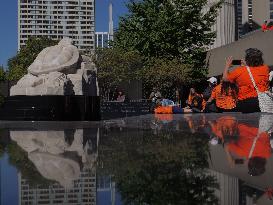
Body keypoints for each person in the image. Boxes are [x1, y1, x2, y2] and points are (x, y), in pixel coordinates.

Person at [223, 48, 270, 113]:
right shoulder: (265, 68)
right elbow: (254, 72)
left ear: (247, 59)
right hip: (263, 102)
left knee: (246, 122)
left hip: (246, 103)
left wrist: (227, 65)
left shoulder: (240, 70)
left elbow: (225, 79)